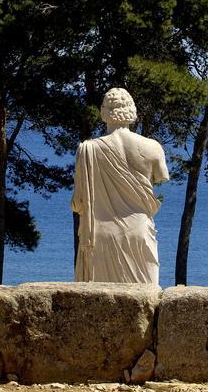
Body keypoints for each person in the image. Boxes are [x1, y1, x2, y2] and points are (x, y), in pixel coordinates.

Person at [71, 88, 169, 284]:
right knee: (145, 296)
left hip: (99, 236)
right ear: (132, 111)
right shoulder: (153, 147)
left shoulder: (87, 150)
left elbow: (78, 203)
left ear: (103, 112)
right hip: (139, 231)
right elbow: (161, 177)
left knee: (97, 300)